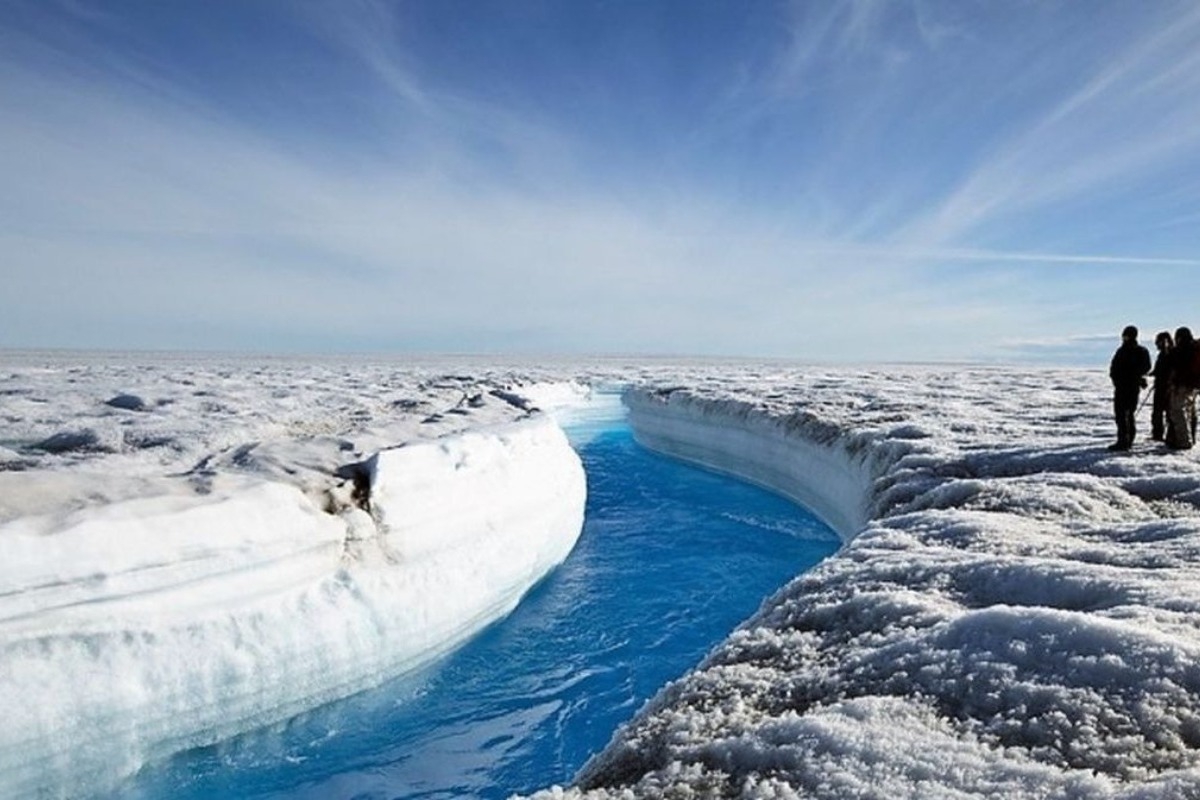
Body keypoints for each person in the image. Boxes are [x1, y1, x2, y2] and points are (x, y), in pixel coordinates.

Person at [1108, 325, 1151, 451]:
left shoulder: (1137, 351)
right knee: (1125, 414)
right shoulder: (1124, 350)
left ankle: (1124, 441)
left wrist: (1132, 375)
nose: (1124, 337)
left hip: (1129, 387)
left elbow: (1146, 367)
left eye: (1125, 335)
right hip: (1124, 386)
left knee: (1124, 414)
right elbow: (1114, 368)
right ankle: (1126, 440)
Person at [1167, 326, 1199, 450]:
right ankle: (1191, 438)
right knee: (1190, 411)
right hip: (1194, 385)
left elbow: (1175, 368)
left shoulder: (1179, 350)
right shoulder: (1194, 348)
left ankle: (1183, 441)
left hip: (1181, 385)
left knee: (1177, 411)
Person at [1150, 331, 1175, 442]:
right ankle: (1158, 434)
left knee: (1165, 412)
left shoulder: (1168, 353)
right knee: (1159, 412)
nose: (1157, 344)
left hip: (1166, 387)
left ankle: (1166, 435)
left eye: (1158, 341)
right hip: (1161, 386)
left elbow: (1167, 370)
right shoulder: (1164, 354)